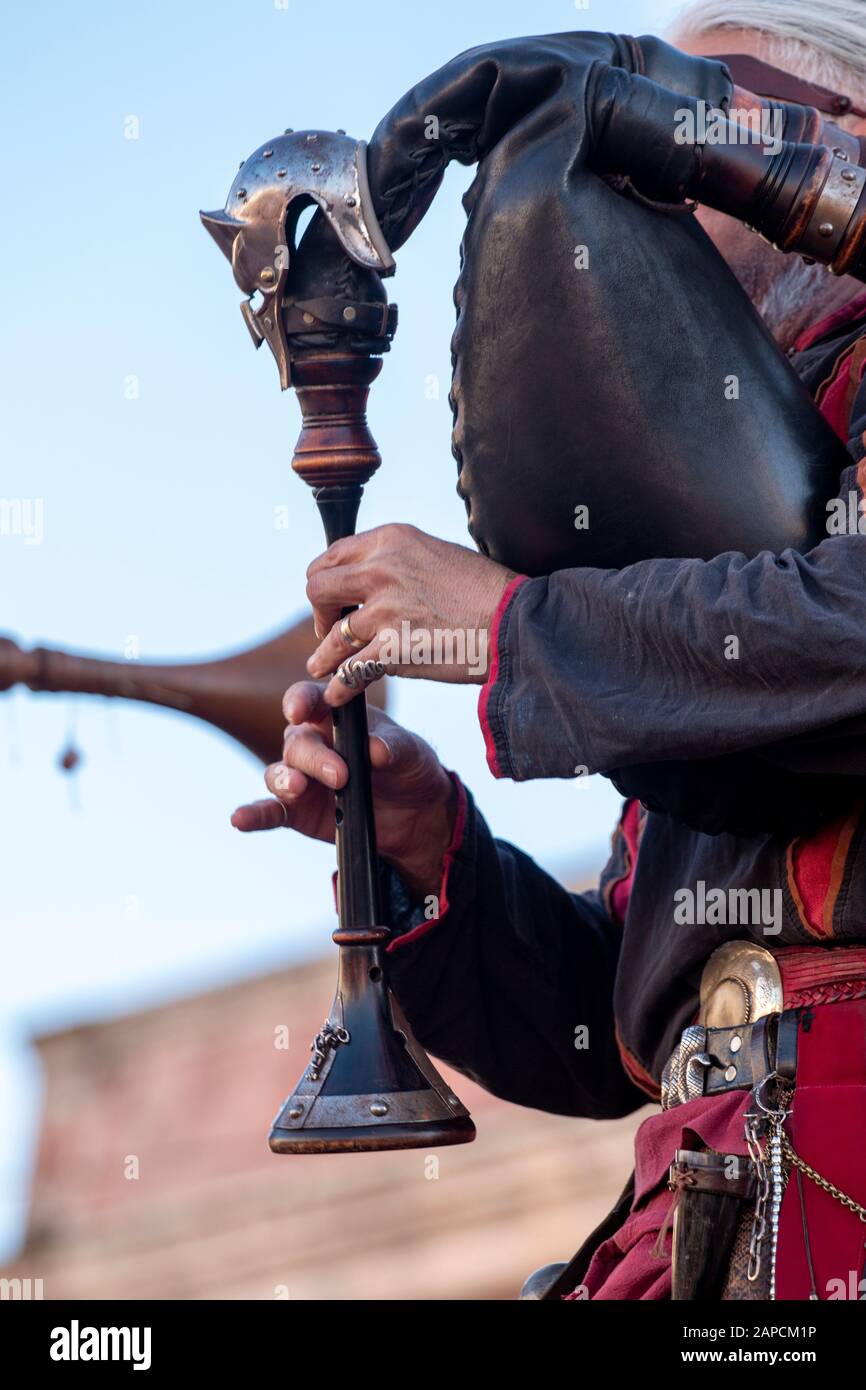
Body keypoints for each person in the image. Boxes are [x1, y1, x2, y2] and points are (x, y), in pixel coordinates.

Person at [233, 2, 866, 1299]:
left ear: (839, 137)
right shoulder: (731, 482)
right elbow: (619, 1025)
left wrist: (508, 627)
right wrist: (434, 855)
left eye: (707, 98)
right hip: (709, 1198)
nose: (652, 150)